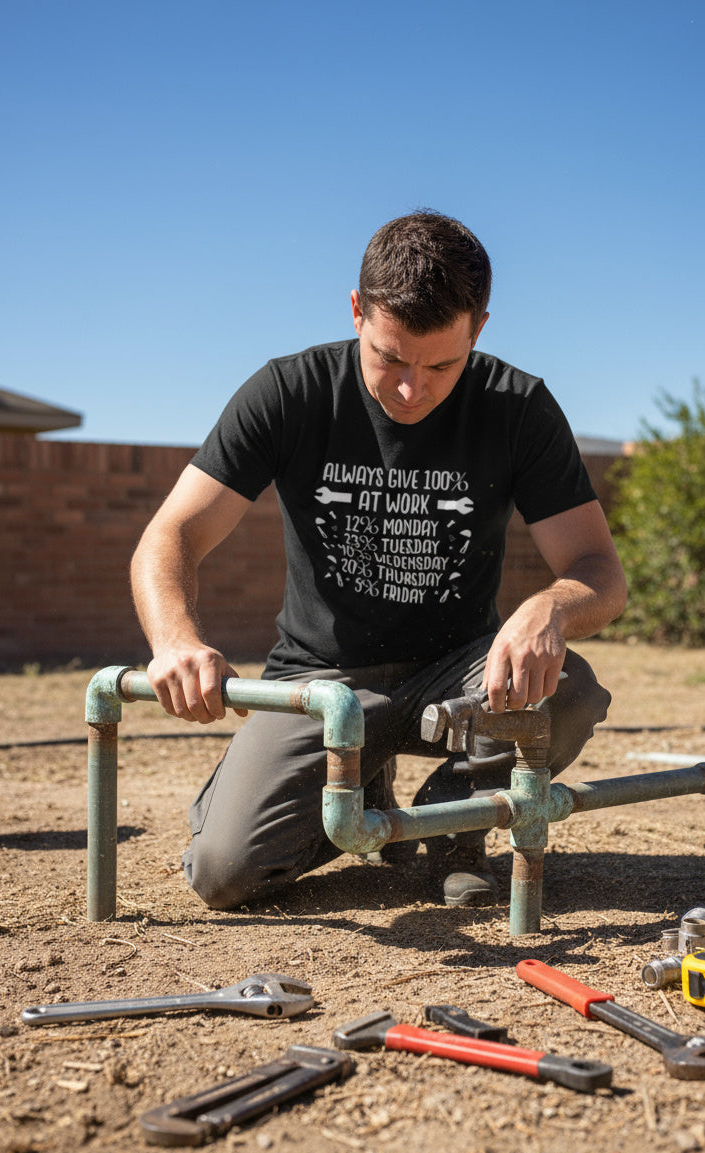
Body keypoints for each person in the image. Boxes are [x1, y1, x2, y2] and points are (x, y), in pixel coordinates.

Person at [130, 211, 628, 911]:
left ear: (478, 329)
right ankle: (357, 788)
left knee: (569, 687)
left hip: (458, 674)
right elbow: (171, 533)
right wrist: (175, 639)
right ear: (358, 310)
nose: (410, 389)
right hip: (323, 680)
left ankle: (451, 831)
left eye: (441, 366)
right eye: (389, 358)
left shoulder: (518, 407)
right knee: (223, 873)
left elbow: (599, 571)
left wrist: (550, 607)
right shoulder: (289, 392)